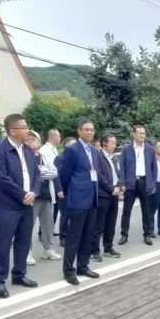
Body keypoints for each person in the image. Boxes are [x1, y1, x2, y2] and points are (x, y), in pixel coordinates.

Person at [0, 114, 41, 299]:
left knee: (24, 241)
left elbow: (37, 174)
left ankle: (19, 274)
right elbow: (1, 178)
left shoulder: (27, 150)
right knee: (4, 244)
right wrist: (22, 195)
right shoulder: (0, 150)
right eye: (24, 127)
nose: (27, 131)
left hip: (27, 203)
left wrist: (33, 192)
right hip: (8, 206)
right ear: (13, 131)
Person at [59, 119, 101, 286]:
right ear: (79, 131)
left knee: (87, 235)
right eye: (86, 129)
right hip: (77, 199)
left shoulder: (94, 151)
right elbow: (64, 175)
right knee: (74, 236)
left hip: (92, 198)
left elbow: (95, 173)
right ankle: (69, 270)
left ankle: (83, 266)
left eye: (92, 130)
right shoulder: (72, 150)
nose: (90, 132)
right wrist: (68, 192)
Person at [118, 126, 157, 246]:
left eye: (144, 133)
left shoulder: (150, 149)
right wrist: (122, 183)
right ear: (134, 134)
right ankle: (124, 235)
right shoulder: (127, 149)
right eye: (140, 133)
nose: (142, 135)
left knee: (146, 211)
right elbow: (122, 167)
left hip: (144, 182)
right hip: (130, 183)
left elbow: (154, 167)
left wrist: (152, 183)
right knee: (126, 211)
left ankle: (147, 234)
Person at [29, 130, 62, 261]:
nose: (30, 141)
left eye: (33, 139)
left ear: (39, 142)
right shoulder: (24, 156)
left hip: (47, 195)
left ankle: (47, 249)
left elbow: (54, 172)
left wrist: (39, 173)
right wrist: (41, 172)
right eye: (28, 139)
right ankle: (27, 252)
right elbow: (28, 174)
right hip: (32, 197)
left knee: (48, 226)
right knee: (28, 226)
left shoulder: (44, 156)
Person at [92, 133, 122, 261]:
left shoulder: (112, 158)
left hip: (114, 193)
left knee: (111, 222)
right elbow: (98, 175)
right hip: (103, 194)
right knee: (98, 224)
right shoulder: (98, 157)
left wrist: (119, 186)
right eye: (112, 143)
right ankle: (94, 251)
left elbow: (117, 174)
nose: (115, 146)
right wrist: (111, 188)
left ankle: (108, 247)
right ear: (104, 144)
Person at [55, 137, 77, 247]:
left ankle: (72, 235)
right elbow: (58, 175)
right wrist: (60, 189)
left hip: (76, 190)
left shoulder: (78, 158)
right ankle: (63, 236)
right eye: (73, 145)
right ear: (67, 146)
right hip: (65, 190)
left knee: (75, 215)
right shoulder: (60, 158)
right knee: (65, 215)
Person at [39, 129, 62, 225]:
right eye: (59, 136)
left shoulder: (54, 149)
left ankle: (50, 229)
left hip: (55, 182)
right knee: (47, 213)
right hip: (48, 184)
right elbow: (47, 169)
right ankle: (42, 231)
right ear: (53, 137)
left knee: (54, 211)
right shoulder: (44, 150)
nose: (60, 138)